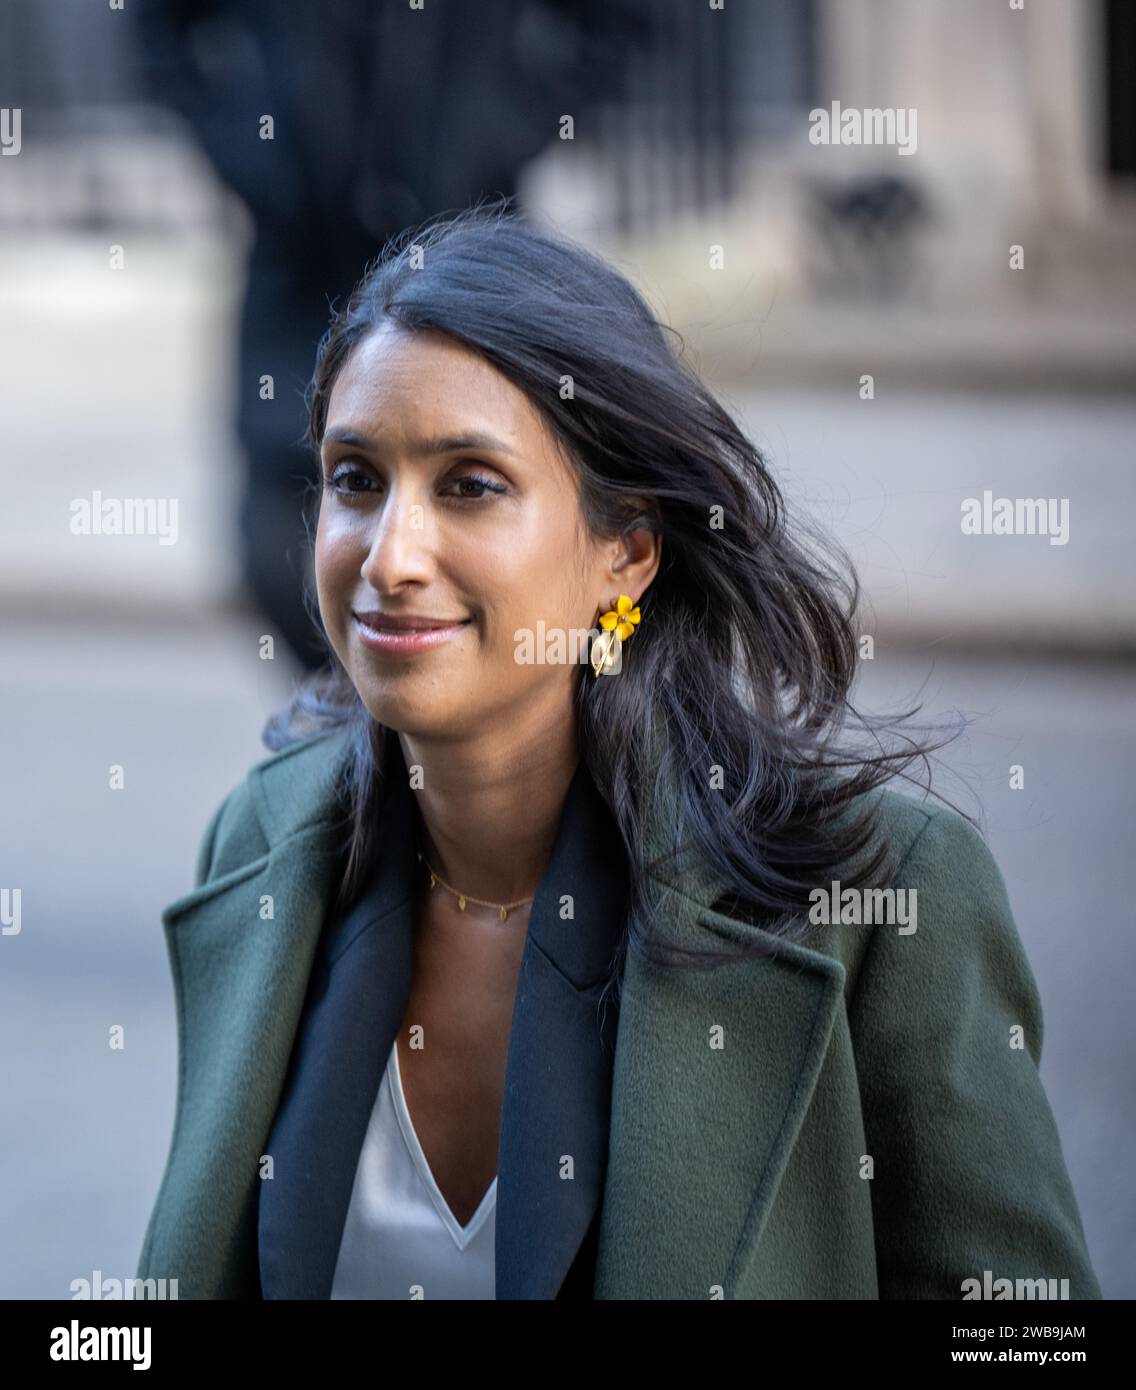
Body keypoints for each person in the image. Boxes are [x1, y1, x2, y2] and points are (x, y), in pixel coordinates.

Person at [136, 201, 1101, 1300]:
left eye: (470, 485)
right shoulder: (264, 844)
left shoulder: (876, 895)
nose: (390, 554)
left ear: (625, 555)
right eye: (358, 478)